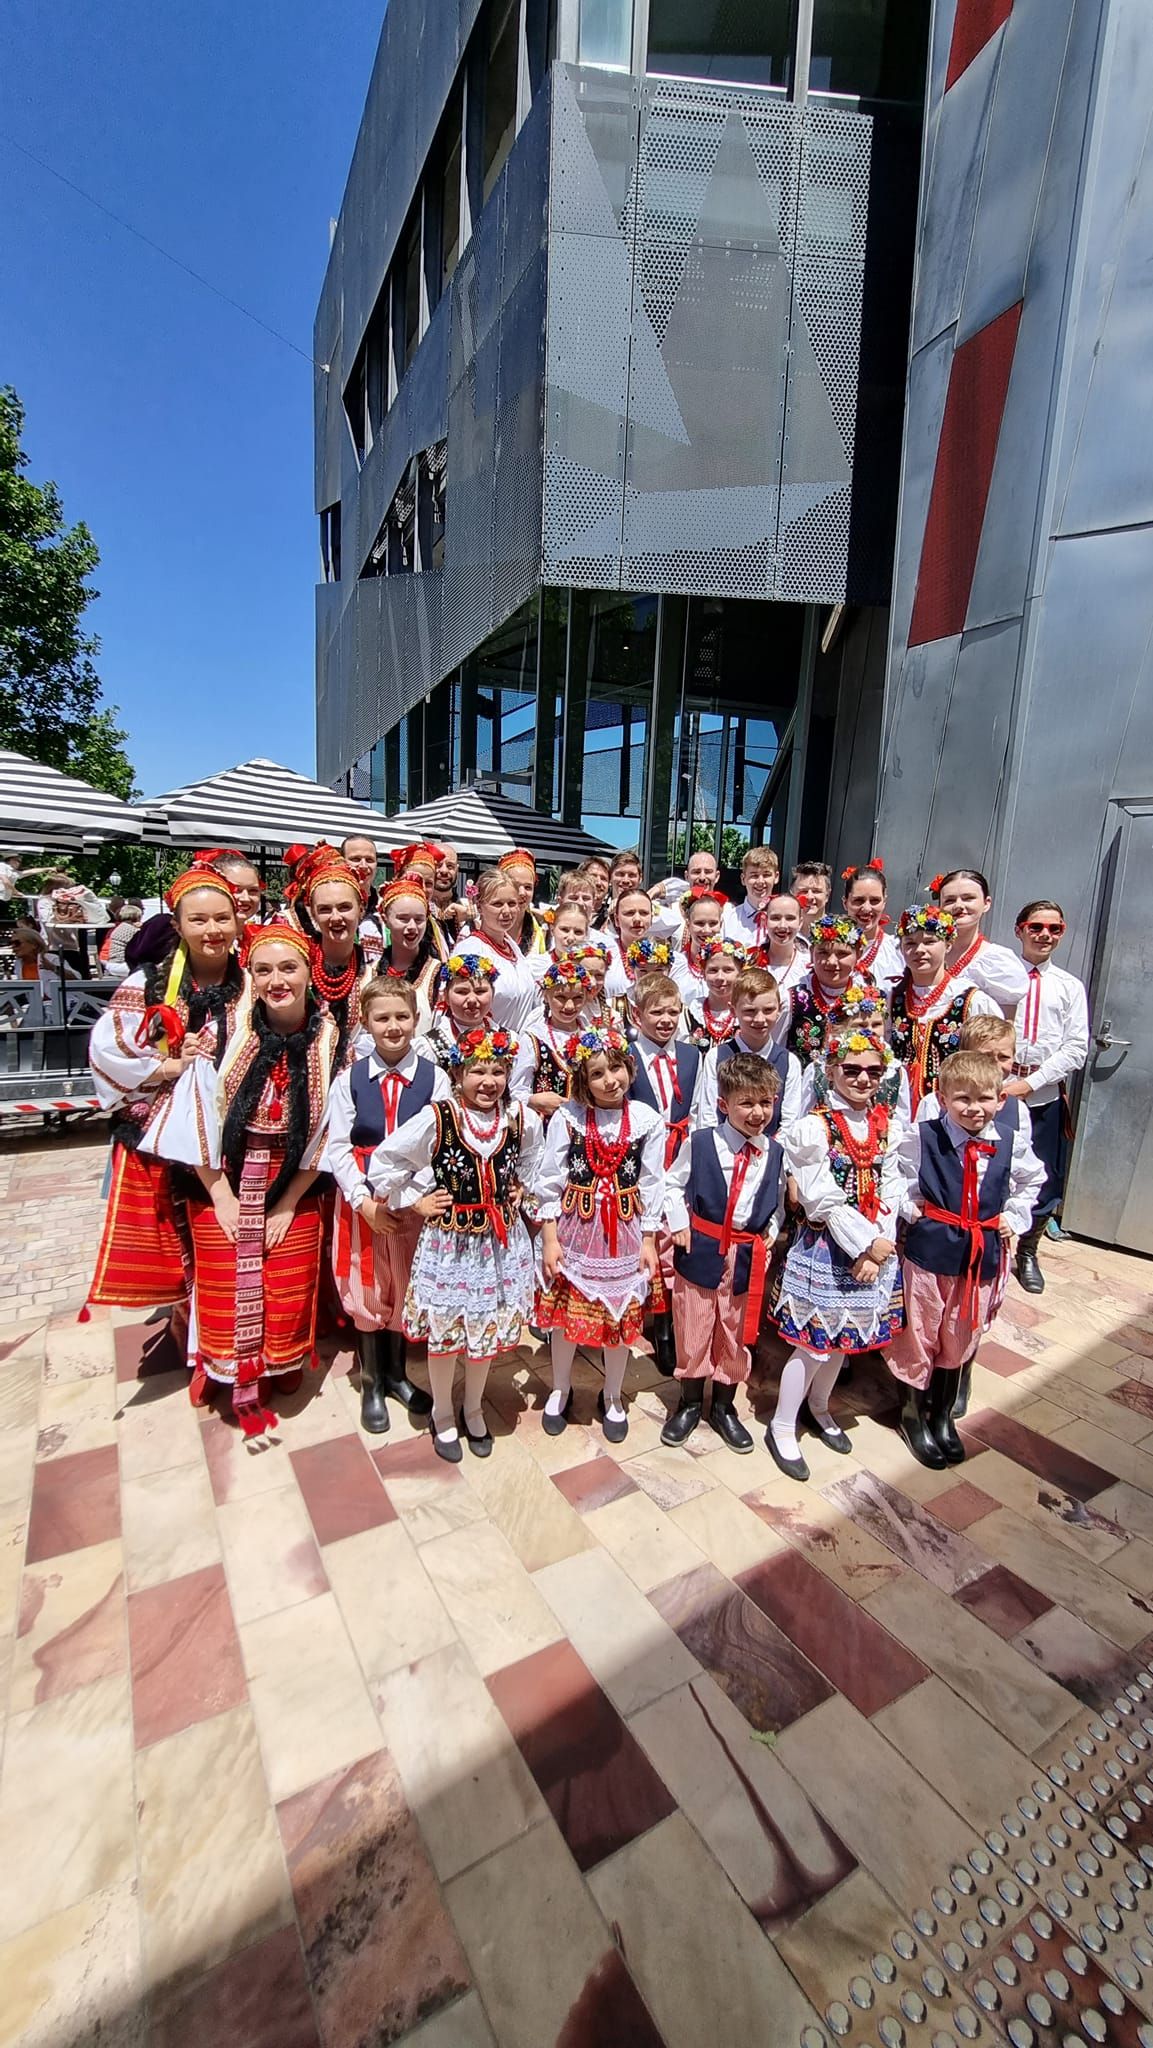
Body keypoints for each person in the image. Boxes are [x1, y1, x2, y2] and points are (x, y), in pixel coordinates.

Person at [143, 922, 339, 1439]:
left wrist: (289, 1201)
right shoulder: (224, 1030)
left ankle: (280, 1361)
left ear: (308, 974)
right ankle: (222, 1365)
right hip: (221, 1170)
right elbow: (195, 1114)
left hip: (292, 1176)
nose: (277, 980)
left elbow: (327, 1130)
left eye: (289, 967)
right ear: (250, 976)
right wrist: (221, 1194)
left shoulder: (330, 1036)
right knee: (221, 1271)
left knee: (289, 1274)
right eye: (264, 969)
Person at [368, 1027, 542, 1462]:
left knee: (484, 1330)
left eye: (498, 1071)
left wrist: (523, 1188)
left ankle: (473, 1405)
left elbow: (537, 1160)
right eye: (478, 1071)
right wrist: (414, 1200)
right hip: (449, 1244)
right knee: (445, 1333)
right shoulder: (439, 1117)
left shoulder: (521, 1117)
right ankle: (443, 1412)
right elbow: (385, 1160)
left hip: (499, 1246)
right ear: (459, 1074)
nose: (489, 1081)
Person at [85, 865, 247, 1318]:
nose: (212, 930)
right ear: (177, 925)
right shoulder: (146, 984)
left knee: (220, 1241)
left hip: (226, 1138)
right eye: (198, 920)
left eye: (221, 918)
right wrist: (169, 1065)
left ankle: (214, 1329)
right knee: (173, 1243)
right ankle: (185, 1325)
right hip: (160, 1142)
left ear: (237, 921)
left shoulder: (250, 982)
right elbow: (107, 1048)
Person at [888, 1050, 1045, 1468]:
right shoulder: (923, 1136)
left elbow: (1032, 1180)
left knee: (961, 1331)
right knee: (921, 1330)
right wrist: (909, 1205)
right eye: (963, 1099)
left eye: (985, 1099)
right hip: (931, 1252)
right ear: (942, 1098)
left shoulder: (1008, 1141)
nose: (974, 1109)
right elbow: (896, 1175)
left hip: (980, 1255)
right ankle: (911, 1414)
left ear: (1000, 1100)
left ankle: (941, 1416)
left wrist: (1014, 1216)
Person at [767, 1028, 905, 1482]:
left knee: (845, 1341)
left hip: (872, 1250)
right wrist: (863, 1244)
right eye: (851, 1069)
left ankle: (820, 1407)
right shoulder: (814, 1127)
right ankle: (782, 1424)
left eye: (873, 1071)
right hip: (826, 1249)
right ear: (830, 1072)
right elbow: (818, 1196)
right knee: (813, 1346)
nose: (863, 1079)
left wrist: (879, 1250)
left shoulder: (889, 1124)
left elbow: (893, 1187)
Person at [324, 979, 447, 1433]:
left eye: (401, 1017)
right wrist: (364, 1201)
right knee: (370, 1283)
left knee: (404, 1284)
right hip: (365, 1200)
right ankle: (372, 1381)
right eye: (382, 1018)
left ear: (416, 1020)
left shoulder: (435, 1078)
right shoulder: (350, 1080)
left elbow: (440, 1140)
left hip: (413, 1198)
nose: (393, 1027)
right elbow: (338, 1146)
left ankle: (397, 1375)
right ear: (366, 1022)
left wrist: (413, 1198)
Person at [536, 1024, 665, 1444]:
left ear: (629, 1067)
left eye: (616, 1069)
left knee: (619, 1315)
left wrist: (648, 1240)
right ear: (582, 1080)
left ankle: (612, 1393)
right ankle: (559, 1387)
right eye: (596, 1073)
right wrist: (550, 1238)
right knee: (564, 1318)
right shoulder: (569, 1117)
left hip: (624, 1232)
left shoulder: (646, 1119)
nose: (610, 1080)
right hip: (576, 1227)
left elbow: (653, 1182)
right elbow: (550, 1177)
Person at [664, 1052, 785, 1454]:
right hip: (700, 1248)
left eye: (765, 1103)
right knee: (694, 1326)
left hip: (745, 1256)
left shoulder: (774, 1152)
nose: (757, 1113)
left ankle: (725, 1407)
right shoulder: (700, 1144)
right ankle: (690, 1401)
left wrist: (770, 1229)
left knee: (734, 1331)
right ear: (723, 1105)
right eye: (746, 1103)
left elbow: (776, 1200)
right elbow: (671, 1186)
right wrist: (680, 1223)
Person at [1005, 899, 1089, 1293]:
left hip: (1042, 1097)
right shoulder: (1005, 977)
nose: (1044, 935)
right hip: (998, 1091)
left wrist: (1032, 1082)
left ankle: (1028, 1251)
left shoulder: (1069, 987)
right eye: (1036, 927)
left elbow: (1075, 1048)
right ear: (1020, 929)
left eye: (1054, 929)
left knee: (1045, 1178)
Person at [627, 970, 703, 1375]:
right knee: (643, 1235)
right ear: (636, 1015)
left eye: (673, 1012)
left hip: (681, 1153)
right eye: (657, 1012)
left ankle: (667, 1327)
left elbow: (702, 1111)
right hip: (640, 1158)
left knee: (674, 1239)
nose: (666, 1020)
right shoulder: (627, 1054)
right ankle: (637, 1313)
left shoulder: (693, 1056)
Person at [889, 904, 1001, 1112]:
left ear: (948, 944)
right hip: (899, 1108)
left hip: (952, 1110)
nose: (919, 950)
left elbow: (993, 1061)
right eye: (910, 943)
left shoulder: (971, 1000)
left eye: (930, 942)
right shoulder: (893, 997)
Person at [288, 846, 372, 1068]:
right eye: (325, 909)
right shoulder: (295, 966)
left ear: (361, 909)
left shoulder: (374, 971)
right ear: (312, 913)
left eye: (345, 907)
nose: (336, 918)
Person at [696, 966, 803, 1135]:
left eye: (768, 1010)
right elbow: (708, 1117)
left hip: (771, 1153)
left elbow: (789, 1123)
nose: (760, 1019)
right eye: (750, 1011)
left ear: (779, 1010)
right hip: (724, 1153)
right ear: (733, 1011)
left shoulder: (789, 1062)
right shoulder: (716, 1056)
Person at [931, 869, 1030, 1017]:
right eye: (950, 900)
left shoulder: (998, 963)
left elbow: (1005, 1027)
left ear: (986, 903)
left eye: (968, 898)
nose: (958, 905)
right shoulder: (925, 952)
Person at [786, 914, 875, 1069]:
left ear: (859, 954)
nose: (832, 962)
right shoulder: (793, 997)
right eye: (823, 952)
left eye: (842, 954)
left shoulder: (867, 1000)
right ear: (812, 952)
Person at [509, 958, 589, 1117]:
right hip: (546, 1125)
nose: (570, 1006)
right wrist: (533, 1100)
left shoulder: (590, 1035)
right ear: (545, 996)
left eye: (578, 998)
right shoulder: (534, 1038)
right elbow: (516, 1090)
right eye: (561, 997)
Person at [468, 868, 544, 1033]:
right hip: (487, 1050)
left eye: (512, 903)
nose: (506, 911)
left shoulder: (512, 947)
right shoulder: (471, 951)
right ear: (479, 906)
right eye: (497, 904)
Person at [377, 878, 443, 1032]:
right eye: (403, 919)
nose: (412, 927)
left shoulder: (439, 974)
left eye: (419, 920)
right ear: (385, 920)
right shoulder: (368, 974)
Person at [425, 949, 498, 1068]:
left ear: (493, 994)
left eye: (480, 991)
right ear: (446, 996)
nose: (472, 1000)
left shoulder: (508, 1039)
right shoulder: (430, 1046)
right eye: (462, 992)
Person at [841, 861, 903, 986]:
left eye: (875, 900)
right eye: (858, 900)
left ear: (884, 902)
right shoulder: (829, 950)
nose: (867, 908)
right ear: (845, 902)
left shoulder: (898, 950)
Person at [684, 937, 746, 1052]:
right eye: (713, 970)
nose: (720, 977)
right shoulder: (690, 1013)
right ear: (703, 973)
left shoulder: (747, 1013)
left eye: (728, 970)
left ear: (740, 973)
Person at [671, 889, 727, 1010]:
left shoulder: (731, 965)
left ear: (721, 924)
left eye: (713, 923)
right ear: (688, 924)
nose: (706, 930)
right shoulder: (675, 963)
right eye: (699, 923)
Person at [722, 846, 780, 950]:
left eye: (766, 875)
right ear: (743, 879)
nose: (760, 881)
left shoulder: (784, 920)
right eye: (754, 876)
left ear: (776, 877)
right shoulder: (728, 919)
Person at [755, 892, 811, 999]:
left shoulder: (808, 967)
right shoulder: (751, 963)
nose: (782, 925)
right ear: (765, 921)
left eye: (790, 918)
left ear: (800, 923)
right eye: (775, 918)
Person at [341, 834, 385, 964]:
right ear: (342, 862)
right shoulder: (328, 907)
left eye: (370, 860)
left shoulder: (385, 907)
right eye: (356, 859)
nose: (364, 865)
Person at [497, 849, 549, 956]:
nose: (522, 893)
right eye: (515, 885)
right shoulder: (479, 925)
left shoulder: (540, 932)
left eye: (528, 887)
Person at [196, 850, 265, 927]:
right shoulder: (199, 937)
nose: (246, 898)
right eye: (236, 890)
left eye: (253, 890)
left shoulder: (265, 937)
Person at [605, 888, 655, 990]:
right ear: (616, 919)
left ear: (652, 918)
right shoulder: (606, 953)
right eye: (629, 913)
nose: (637, 919)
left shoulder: (666, 955)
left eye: (644, 913)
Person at [791, 861, 833, 939]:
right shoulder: (785, 933)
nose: (809, 897)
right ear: (793, 894)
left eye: (816, 891)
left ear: (827, 895)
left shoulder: (839, 933)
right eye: (804, 891)